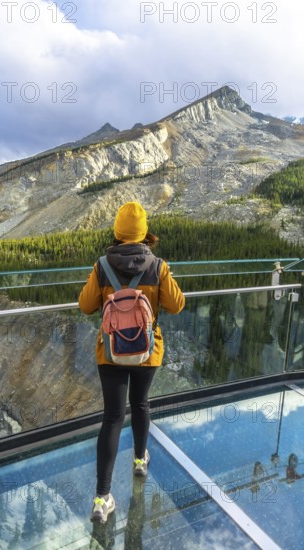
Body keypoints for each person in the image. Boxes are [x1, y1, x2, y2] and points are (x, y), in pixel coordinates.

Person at [78, 202, 185, 523]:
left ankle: (102, 498)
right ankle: (140, 461)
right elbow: (176, 305)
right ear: (143, 233)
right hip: (146, 351)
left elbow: (85, 306)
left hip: (110, 352)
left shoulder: (101, 265)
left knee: (112, 417)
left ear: (117, 232)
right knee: (140, 405)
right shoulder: (158, 266)